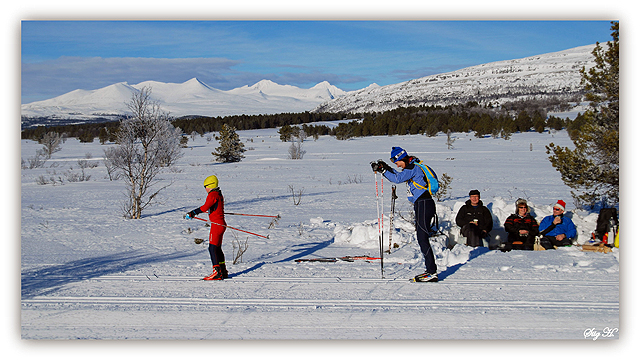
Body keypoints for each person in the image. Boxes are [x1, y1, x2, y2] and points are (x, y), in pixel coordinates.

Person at [371, 146, 439, 282]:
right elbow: (398, 175)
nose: (396, 164)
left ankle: (431, 272)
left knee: (422, 237)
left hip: (424, 203)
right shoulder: (411, 167)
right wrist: (386, 169)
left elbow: (397, 179)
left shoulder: (413, 168)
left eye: (396, 162)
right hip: (422, 203)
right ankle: (430, 270)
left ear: (401, 158)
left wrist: (383, 170)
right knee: (422, 237)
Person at [185, 175, 228, 280]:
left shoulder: (212, 194)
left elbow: (205, 207)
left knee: (212, 248)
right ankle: (223, 270)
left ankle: (217, 272)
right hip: (221, 224)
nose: (205, 189)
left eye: (205, 187)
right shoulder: (218, 194)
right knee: (217, 248)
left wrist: (193, 213)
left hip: (216, 225)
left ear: (210, 186)